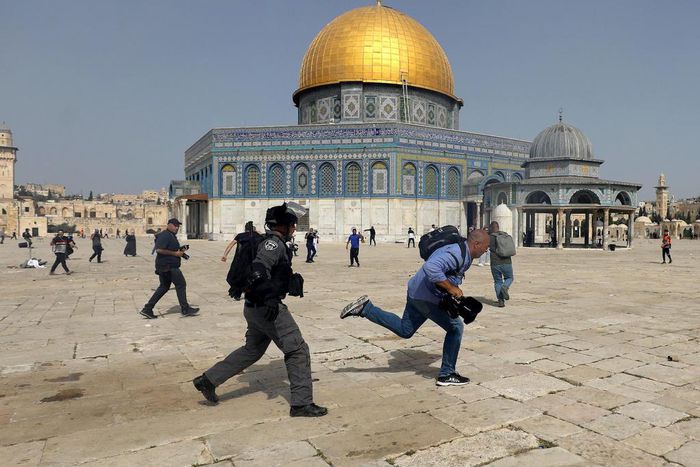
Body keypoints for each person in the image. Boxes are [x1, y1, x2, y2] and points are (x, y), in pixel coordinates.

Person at [193, 202, 327, 417]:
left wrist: (288, 281)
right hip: (267, 309)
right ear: (283, 226)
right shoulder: (273, 244)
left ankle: (208, 380)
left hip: (254, 308)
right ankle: (301, 403)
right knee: (297, 349)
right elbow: (258, 268)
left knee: (252, 349)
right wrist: (271, 296)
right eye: (292, 224)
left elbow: (272, 272)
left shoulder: (275, 242)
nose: (294, 228)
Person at [340, 229, 490, 386]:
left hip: (417, 290)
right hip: (425, 297)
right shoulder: (456, 254)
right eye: (486, 246)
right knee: (456, 327)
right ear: (476, 244)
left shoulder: (463, 252)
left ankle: (366, 308)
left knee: (405, 330)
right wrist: (451, 288)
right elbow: (431, 267)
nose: (487, 250)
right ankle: (447, 373)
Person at [140, 219, 199, 319]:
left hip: (165, 266)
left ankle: (147, 308)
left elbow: (169, 248)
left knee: (163, 287)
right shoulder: (165, 235)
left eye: (178, 226)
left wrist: (180, 250)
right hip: (168, 266)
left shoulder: (170, 235)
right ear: (169, 225)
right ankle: (185, 309)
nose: (177, 227)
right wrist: (175, 254)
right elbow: (159, 249)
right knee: (181, 284)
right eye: (175, 225)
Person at [489, 222, 514, 307]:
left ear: (491, 228)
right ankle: (505, 287)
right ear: (498, 227)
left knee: (498, 281)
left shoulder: (490, 237)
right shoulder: (505, 235)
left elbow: (489, 248)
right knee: (509, 277)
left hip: (495, 263)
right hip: (507, 261)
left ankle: (501, 301)